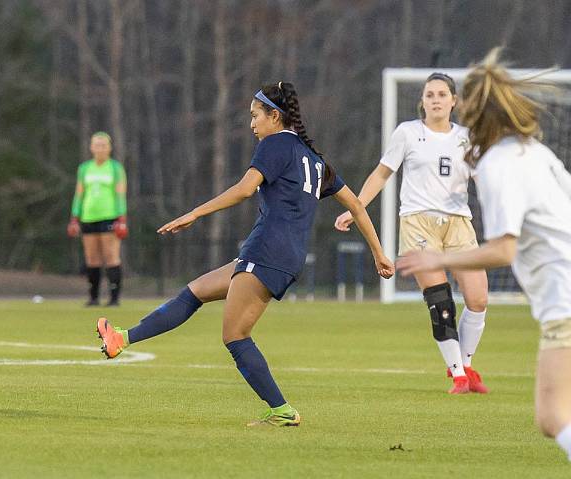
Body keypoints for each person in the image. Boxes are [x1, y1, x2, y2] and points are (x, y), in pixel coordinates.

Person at [96, 81, 394, 426]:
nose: (252, 124)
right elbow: (356, 204)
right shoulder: (314, 159)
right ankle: (122, 338)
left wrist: (194, 213)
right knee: (195, 291)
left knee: (235, 336)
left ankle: (282, 410)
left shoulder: (275, 144)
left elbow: (243, 190)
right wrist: (378, 253)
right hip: (282, 253)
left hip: (268, 250)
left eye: (255, 116)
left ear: (274, 115)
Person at [397, 48, 571, 461]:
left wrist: (438, 260)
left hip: (564, 301)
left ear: (472, 111)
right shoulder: (537, 153)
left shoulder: (497, 164)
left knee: (553, 417)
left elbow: (503, 249)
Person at [334, 72, 490, 394]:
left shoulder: (466, 137)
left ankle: (467, 364)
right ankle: (459, 375)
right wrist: (356, 208)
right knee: (440, 299)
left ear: (453, 101)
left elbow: (484, 182)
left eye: (441, 94)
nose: (435, 100)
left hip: (459, 223)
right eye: (429, 95)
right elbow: (380, 175)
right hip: (418, 222)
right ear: (422, 101)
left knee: (478, 298)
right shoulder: (407, 133)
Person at [67, 132, 128, 307]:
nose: (100, 148)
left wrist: (121, 217)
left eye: (103, 145)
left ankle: (114, 298)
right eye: (96, 145)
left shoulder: (115, 168)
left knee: (111, 256)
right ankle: (93, 297)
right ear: (91, 147)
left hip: (109, 216)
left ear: (109, 148)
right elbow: (79, 194)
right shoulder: (85, 168)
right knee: (92, 258)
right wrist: (74, 217)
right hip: (88, 217)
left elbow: (120, 194)